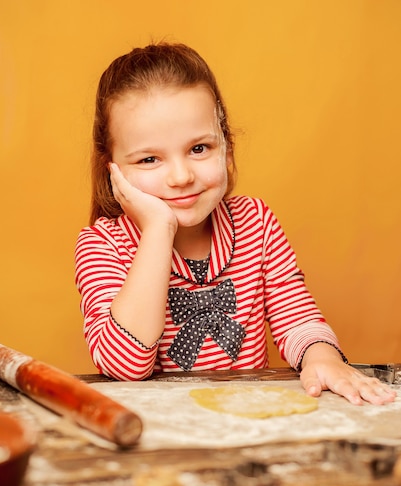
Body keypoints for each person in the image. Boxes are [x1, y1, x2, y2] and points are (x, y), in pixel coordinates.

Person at [75, 42, 395, 406]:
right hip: (158, 434)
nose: (180, 176)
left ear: (226, 144)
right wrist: (158, 230)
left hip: (244, 419)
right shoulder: (102, 245)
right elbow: (124, 365)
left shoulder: (255, 222)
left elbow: (296, 315)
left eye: (199, 149)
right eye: (149, 159)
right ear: (112, 169)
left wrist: (322, 357)